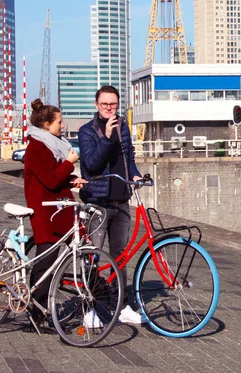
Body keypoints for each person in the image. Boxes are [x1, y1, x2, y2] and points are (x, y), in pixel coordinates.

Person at [78, 85, 145, 325]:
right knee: (93, 256)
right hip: (97, 202)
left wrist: (135, 175)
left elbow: (128, 158)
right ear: (96, 105)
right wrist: (106, 137)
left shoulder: (123, 127)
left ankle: (122, 304)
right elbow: (92, 164)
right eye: (105, 104)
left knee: (121, 256)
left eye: (113, 104)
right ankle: (89, 308)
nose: (109, 108)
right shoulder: (86, 131)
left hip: (121, 200)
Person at [23, 99, 86, 330]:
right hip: (46, 212)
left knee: (57, 257)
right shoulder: (37, 147)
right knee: (45, 263)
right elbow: (50, 179)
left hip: (57, 208)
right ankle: (36, 313)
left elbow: (53, 176)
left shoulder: (51, 144)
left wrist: (72, 180)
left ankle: (93, 292)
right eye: (59, 122)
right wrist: (69, 164)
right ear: (47, 125)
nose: (62, 126)